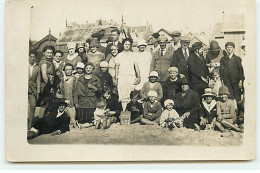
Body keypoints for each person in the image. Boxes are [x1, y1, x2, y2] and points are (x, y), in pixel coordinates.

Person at [115, 38, 141, 111]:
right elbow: (117, 67)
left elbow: (136, 66)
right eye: (126, 44)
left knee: (130, 94)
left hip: (130, 77)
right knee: (122, 95)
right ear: (123, 45)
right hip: (122, 77)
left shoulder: (133, 55)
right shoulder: (119, 55)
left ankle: (130, 113)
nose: (127, 46)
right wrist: (116, 77)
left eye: (129, 44)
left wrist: (138, 76)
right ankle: (124, 112)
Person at [77, 62, 102, 127]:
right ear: (84, 69)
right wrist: (76, 102)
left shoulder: (96, 79)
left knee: (91, 120)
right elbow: (76, 91)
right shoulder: (80, 79)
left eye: (90, 68)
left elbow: (100, 91)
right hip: (82, 102)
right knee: (82, 121)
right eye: (87, 68)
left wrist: (93, 87)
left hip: (92, 102)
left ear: (92, 69)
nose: (88, 69)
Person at [58, 63, 79, 129]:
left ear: (72, 70)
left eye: (70, 69)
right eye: (67, 69)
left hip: (71, 102)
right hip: (63, 101)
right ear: (64, 71)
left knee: (71, 120)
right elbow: (58, 90)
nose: (68, 71)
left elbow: (76, 91)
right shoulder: (61, 79)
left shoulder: (75, 79)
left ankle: (73, 121)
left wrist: (75, 102)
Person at [37, 45, 56, 118]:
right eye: (47, 52)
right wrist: (50, 86)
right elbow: (44, 76)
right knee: (44, 104)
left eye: (51, 53)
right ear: (44, 53)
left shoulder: (49, 61)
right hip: (45, 85)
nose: (49, 54)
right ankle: (40, 122)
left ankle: (44, 122)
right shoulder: (44, 62)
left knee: (47, 104)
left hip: (49, 84)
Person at [28, 49, 39, 130]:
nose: (32, 58)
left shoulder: (37, 67)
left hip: (32, 90)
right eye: (31, 57)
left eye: (33, 57)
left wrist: (38, 91)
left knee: (33, 105)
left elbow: (38, 79)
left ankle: (30, 125)